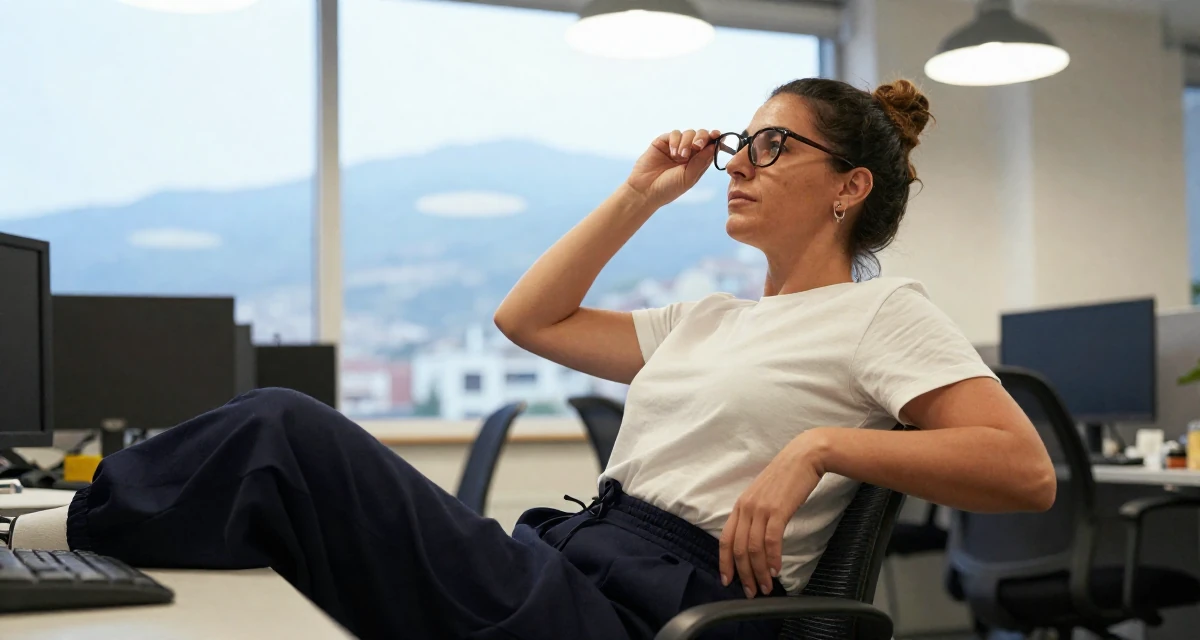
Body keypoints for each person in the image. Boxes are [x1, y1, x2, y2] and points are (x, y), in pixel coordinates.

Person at [4, 78, 1055, 640]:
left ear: (850, 188)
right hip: (569, 562)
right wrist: (641, 194)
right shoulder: (710, 318)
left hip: (645, 609)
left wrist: (823, 445)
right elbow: (528, 319)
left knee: (284, 431)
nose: (742, 160)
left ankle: (26, 528)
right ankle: (41, 540)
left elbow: (1024, 471)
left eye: (772, 145)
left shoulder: (883, 314)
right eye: (743, 140)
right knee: (282, 518)